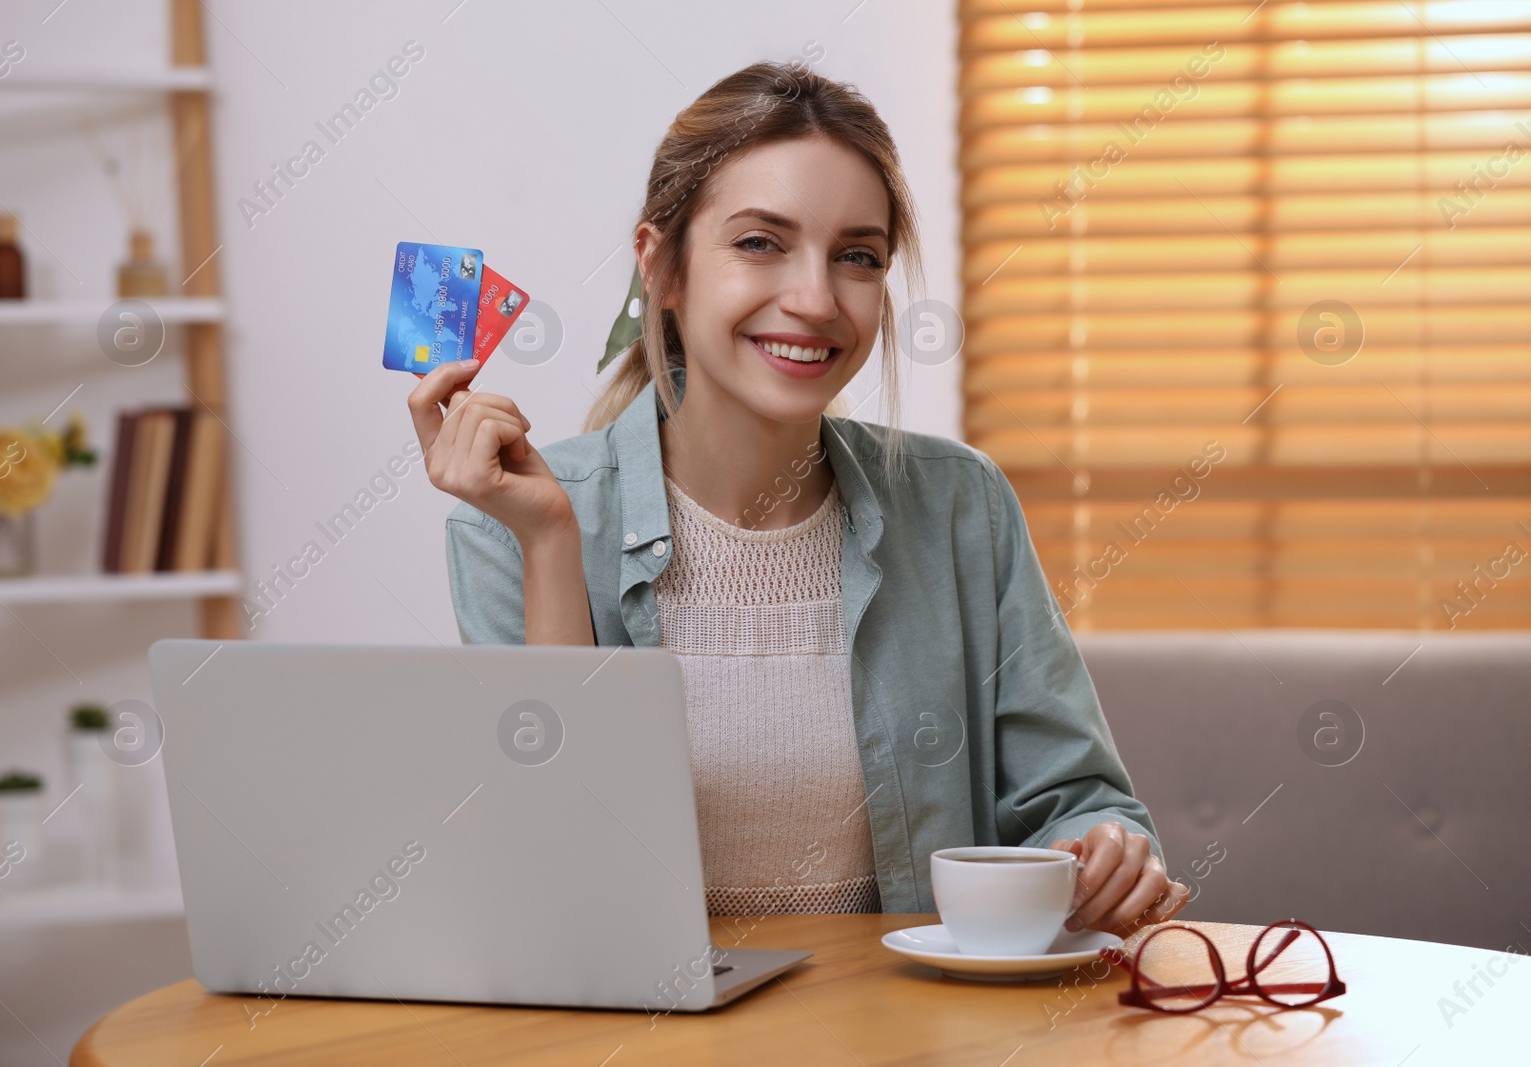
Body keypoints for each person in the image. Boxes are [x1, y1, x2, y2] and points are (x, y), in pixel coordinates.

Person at [407, 61, 1189, 936]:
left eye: (858, 257)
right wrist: (549, 542)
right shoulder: (514, 518)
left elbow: (1077, 802)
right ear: (661, 267)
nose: (815, 300)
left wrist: (1108, 847)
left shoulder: (962, 505)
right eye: (759, 243)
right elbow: (561, 883)